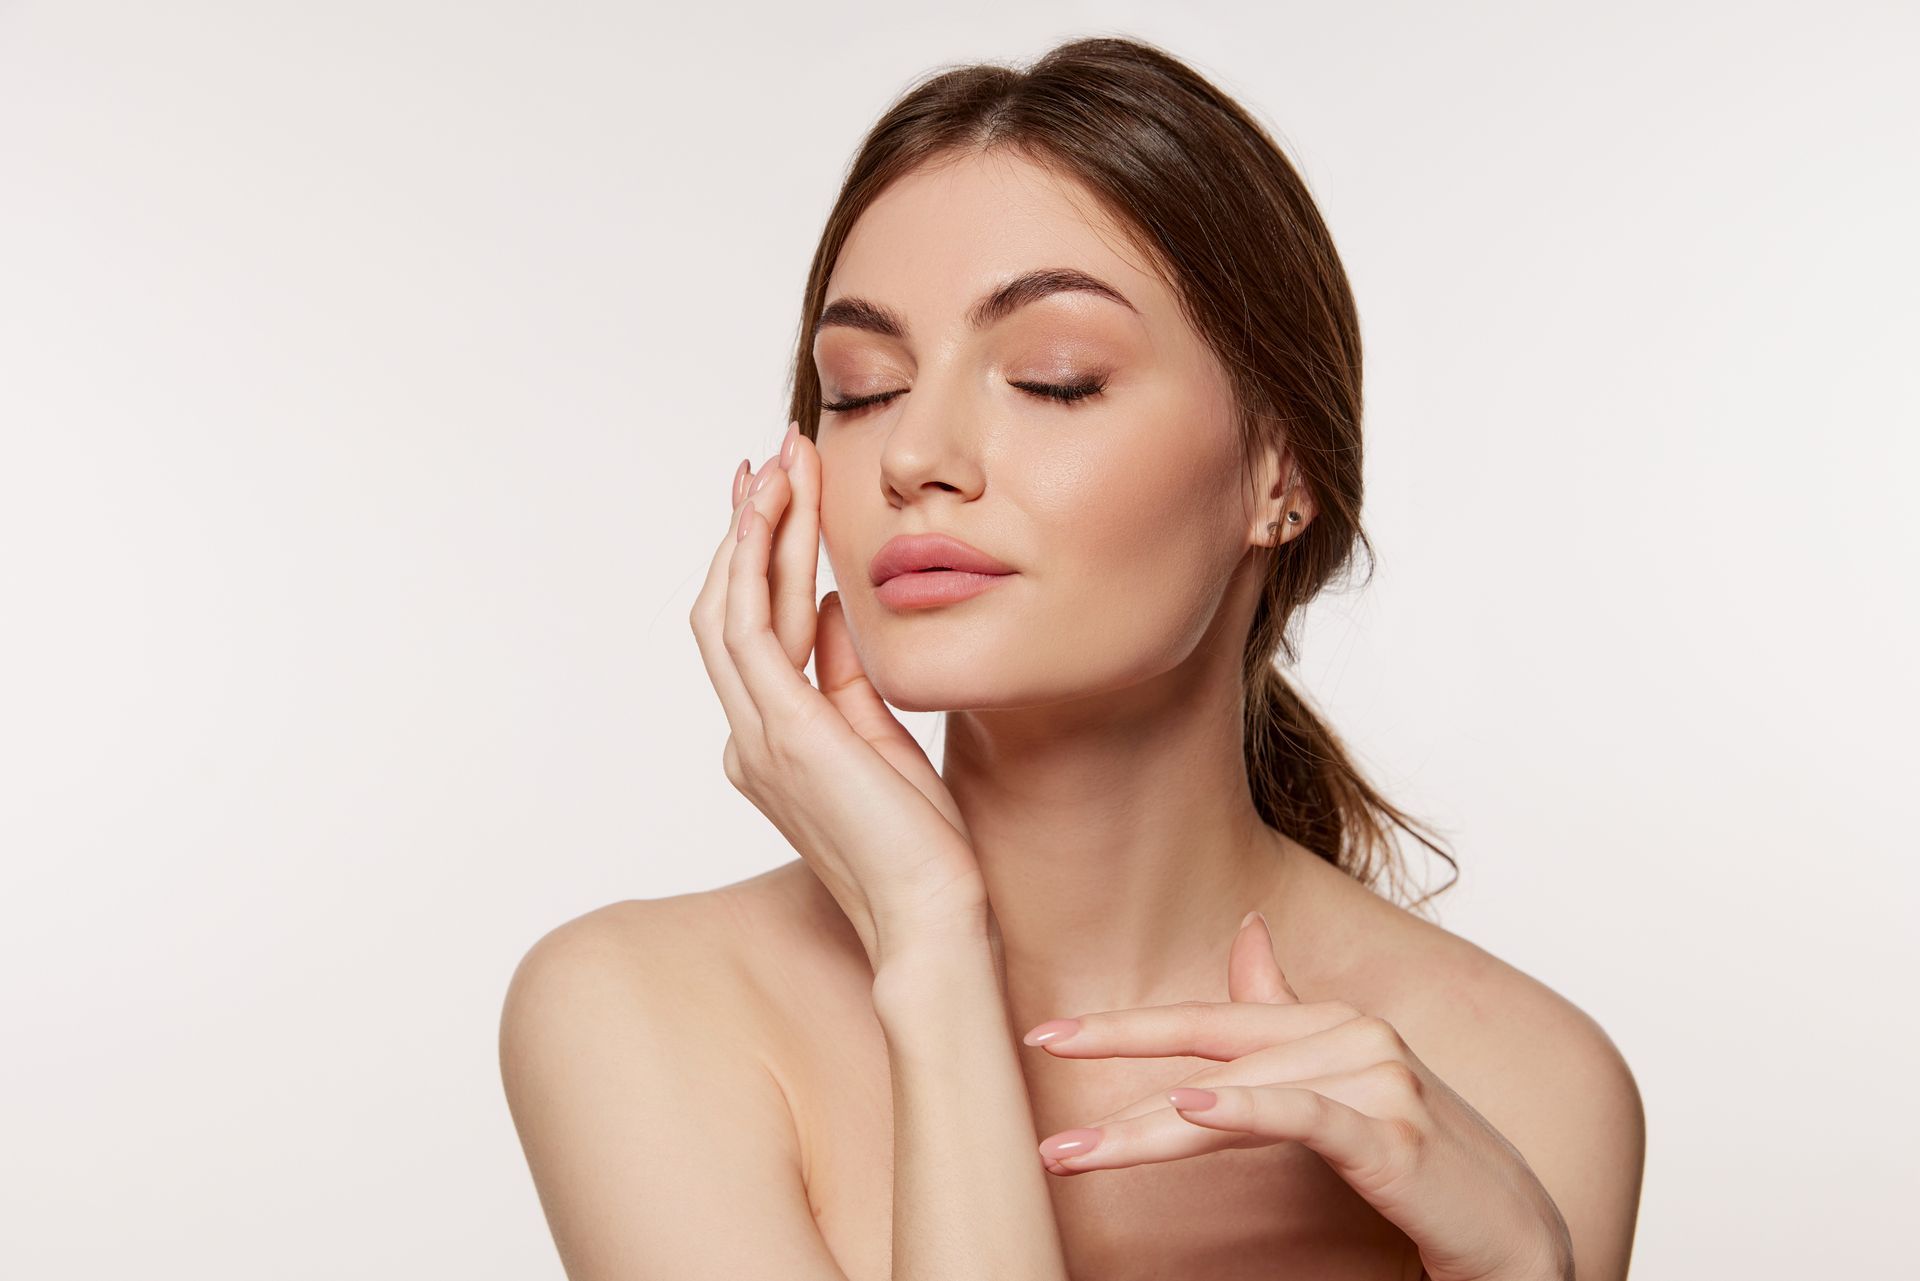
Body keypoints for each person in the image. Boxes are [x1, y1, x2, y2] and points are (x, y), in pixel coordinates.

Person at [499, 35, 1644, 1281]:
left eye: (1055, 380)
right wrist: (932, 948)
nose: (914, 455)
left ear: (1281, 474)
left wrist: (1527, 1269)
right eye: (863, 386)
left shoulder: (1516, 1080)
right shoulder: (638, 1011)